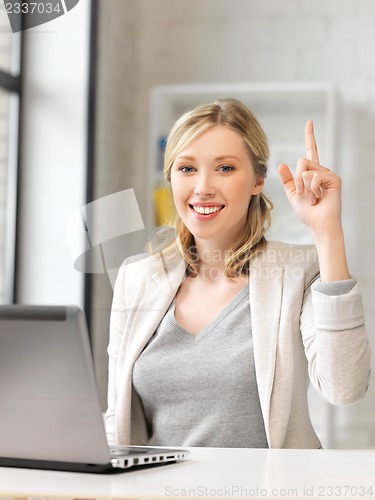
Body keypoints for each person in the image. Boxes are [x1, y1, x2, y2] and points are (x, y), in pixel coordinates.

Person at [105, 98, 371, 449]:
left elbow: (344, 387)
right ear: (170, 177)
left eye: (225, 168)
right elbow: (118, 418)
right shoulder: (137, 279)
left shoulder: (298, 272)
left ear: (258, 180)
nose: (203, 187)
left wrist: (327, 232)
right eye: (187, 168)